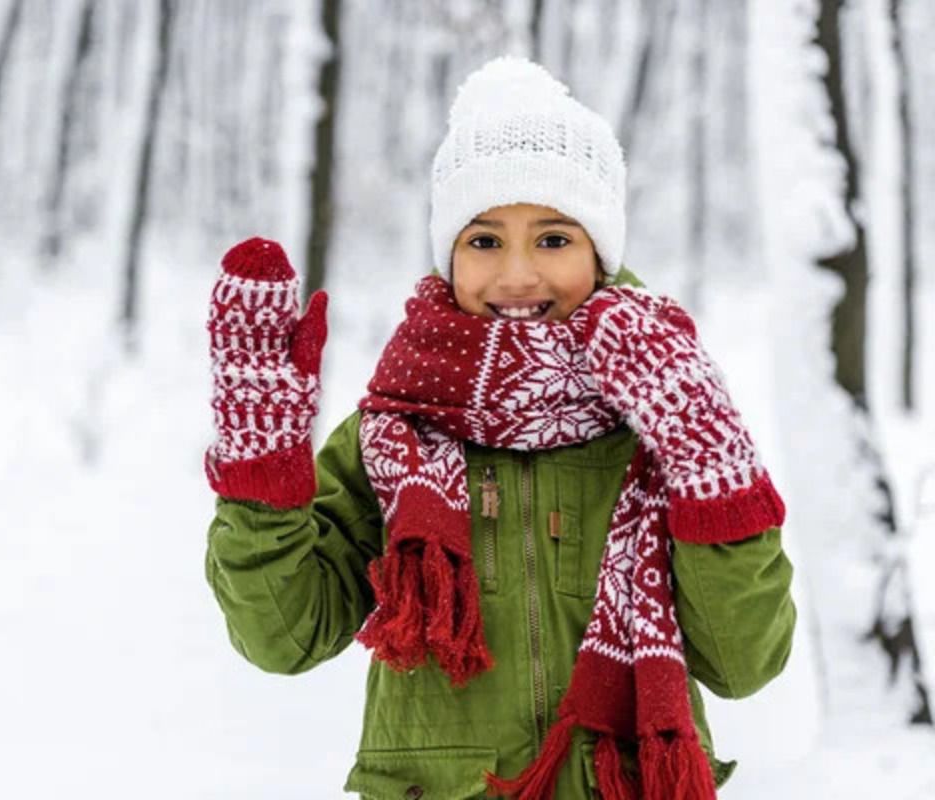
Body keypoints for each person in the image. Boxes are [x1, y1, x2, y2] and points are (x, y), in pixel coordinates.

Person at [203, 56, 796, 800]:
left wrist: (712, 464)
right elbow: (284, 636)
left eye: (553, 239)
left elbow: (746, 662)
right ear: (448, 255)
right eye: (484, 241)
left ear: (601, 252)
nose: (517, 276)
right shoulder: (390, 432)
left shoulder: (661, 428)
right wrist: (261, 480)